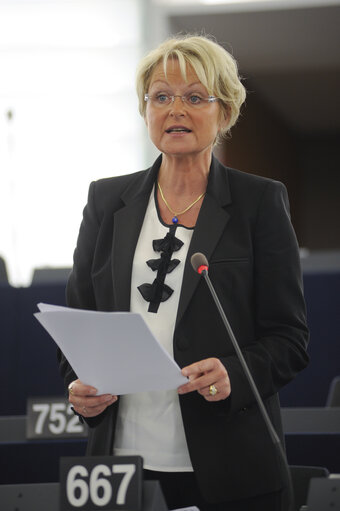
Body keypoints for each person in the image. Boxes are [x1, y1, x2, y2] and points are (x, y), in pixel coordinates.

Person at [58, 34, 309, 511]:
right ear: (145, 110)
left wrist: (236, 372)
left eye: (195, 97)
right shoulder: (107, 201)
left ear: (226, 112)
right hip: (122, 464)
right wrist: (78, 386)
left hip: (231, 463)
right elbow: (78, 322)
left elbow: (289, 339)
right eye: (161, 97)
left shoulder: (259, 203)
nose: (176, 109)